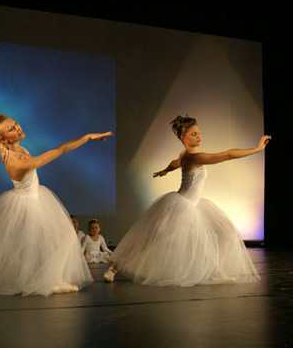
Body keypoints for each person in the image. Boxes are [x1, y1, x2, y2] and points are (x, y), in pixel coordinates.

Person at [0, 112, 112, 296]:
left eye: (15, 123)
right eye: (12, 129)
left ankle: (55, 280)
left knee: (66, 237)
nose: (17, 128)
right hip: (25, 205)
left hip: (36, 198)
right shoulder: (18, 163)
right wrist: (87, 137)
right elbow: (59, 151)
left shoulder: (0, 143)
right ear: (3, 138)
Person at [104, 115, 270, 286]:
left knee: (227, 231)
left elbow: (175, 162)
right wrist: (256, 149)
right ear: (184, 138)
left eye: (198, 133)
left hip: (195, 204)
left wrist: (165, 170)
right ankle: (114, 268)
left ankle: (216, 271)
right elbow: (227, 155)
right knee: (153, 238)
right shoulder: (194, 157)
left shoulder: (185, 155)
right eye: (193, 134)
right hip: (182, 205)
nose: (198, 136)